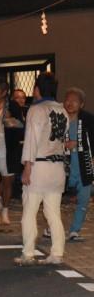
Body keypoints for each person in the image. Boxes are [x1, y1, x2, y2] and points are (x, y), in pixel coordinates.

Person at [18, 72, 69, 266]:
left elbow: (31, 140)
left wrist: (27, 168)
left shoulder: (36, 110)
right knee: (53, 212)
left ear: (37, 89)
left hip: (38, 165)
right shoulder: (62, 110)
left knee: (29, 211)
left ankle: (28, 252)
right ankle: (57, 253)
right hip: (57, 167)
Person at [0, 78, 25, 225]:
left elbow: (21, 126)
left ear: (4, 92)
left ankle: (5, 210)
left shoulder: (13, 106)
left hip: (9, 149)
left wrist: (9, 120)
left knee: (8, 182)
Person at [63, 87, 94, 242]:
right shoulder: (59, 118)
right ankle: (51, 227)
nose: (70, 103)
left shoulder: (88, 120)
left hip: (83, 166)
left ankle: (75, 230)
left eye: (74, 101)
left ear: (81, 104)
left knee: (83, 199)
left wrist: (78, 144)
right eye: (67, 100)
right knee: (54, 198)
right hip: (63, 167)